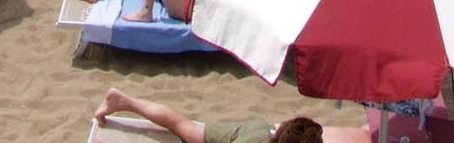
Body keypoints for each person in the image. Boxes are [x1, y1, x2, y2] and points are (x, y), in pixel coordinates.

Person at [93, 88, 368, 143]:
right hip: (243, 139)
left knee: (185, 127)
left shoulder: (273, 134)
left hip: (257, 130)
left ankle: (123, 99)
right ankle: (122, 100)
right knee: (185, 130)